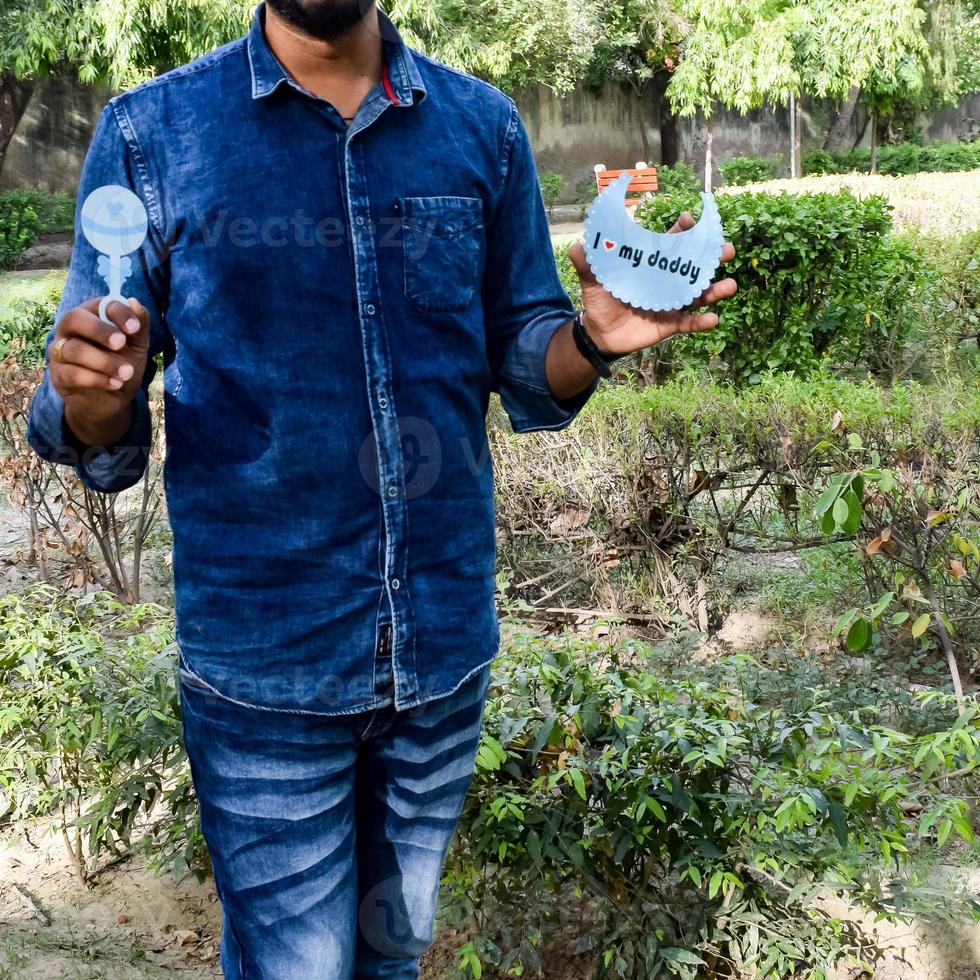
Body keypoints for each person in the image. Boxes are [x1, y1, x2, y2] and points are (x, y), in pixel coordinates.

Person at [28, 1, 736, 976]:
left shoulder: (477, 126)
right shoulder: (154, 134)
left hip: (439, 650)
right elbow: (90, 414)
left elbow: (524, 359)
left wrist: (589, 341)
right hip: (264, 663)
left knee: (390, 957)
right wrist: (93, 396)